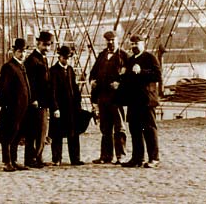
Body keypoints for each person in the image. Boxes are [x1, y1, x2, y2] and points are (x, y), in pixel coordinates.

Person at [118, 34, 161, 168]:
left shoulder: (150, 57)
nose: (134, 46)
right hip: (133, 101)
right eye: (132, 44)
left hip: (146, 100)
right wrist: (122, 77)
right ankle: (137, 158)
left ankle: (154, 158)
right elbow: (128, 80)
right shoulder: (130, 60)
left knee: (149, 129)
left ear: (143, 44)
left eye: (137, 43)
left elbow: (157, 75)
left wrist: (141, 71)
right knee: (135, 130)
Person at [88, 30, 127, 164]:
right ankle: (106, 156)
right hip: (103, 96)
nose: (110, 43)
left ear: (117, 40)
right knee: (105, 128)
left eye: (112, 40)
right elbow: (93, 72)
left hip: (117, 98)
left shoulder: (124, 56)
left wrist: (120, 84)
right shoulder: (102, 55)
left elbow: (128, 77)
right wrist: (92, 81)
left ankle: (121, 155)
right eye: (108, 40)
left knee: (119, 127)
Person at [0, 37, 32, 171]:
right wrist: (5, 105)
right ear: (13, 51)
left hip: (22, 108)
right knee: (8, 136)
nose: (22, 54)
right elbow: (2, 88)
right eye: (19, 52)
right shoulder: (9, 67)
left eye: (24, 52)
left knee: (17, 135)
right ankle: (7, 162)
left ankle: (14, 160)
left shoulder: (21, 66)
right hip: (11, 108)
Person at [48, 45, 84, 165]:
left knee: (73, 133)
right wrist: (55, 108)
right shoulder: (53, 71)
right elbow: (51, 91)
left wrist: (78, 104)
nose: (67, 60)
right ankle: (57, 158)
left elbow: (75, 88)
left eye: (69, 58)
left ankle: (75, 158)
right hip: (60, 108)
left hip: (71, 108)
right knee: (57, 134)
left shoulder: (70, 70)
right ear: (60, 57)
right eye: (65, 58)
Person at [22, 31, 53, 168]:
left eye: (49, 45)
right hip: (36, 102)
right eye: (45, 45)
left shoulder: (42, 58)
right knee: (33, 132)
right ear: (38, 43)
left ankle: (38, 157)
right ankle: (30, 159)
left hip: (43, 101)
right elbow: (29, 82)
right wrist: (33, 99)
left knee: (41, 132)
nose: (47, 48)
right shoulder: (32, 60)